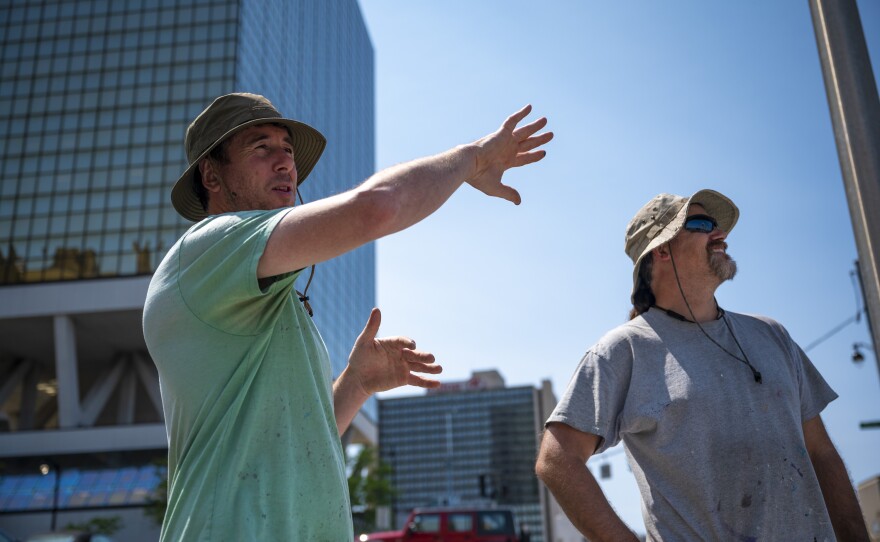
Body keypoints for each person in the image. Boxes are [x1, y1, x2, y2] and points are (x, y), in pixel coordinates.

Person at [143, 92, 552, 541]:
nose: (285, 162)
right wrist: (473, 159)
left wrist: (356, 383)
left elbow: (297, 444)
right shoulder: (207, 248)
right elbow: (376, 208)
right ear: (211, 174)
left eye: (287, 149)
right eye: (261, 148)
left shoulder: (260, 296)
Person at [535, 189, 869, 542]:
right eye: (701, 224)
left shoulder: (773, 336)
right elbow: (557, 460)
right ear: (661, 250)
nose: (720, 234)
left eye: (718, 226)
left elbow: (822, 453)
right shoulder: (624, 351)